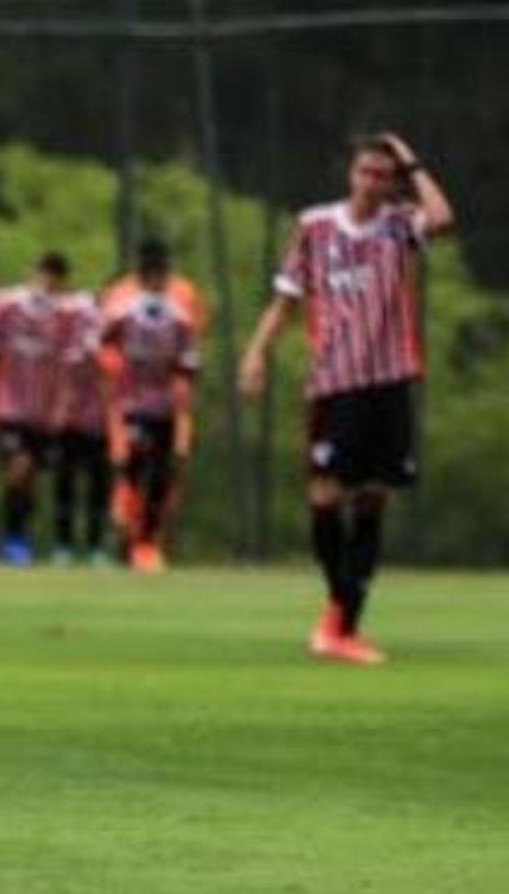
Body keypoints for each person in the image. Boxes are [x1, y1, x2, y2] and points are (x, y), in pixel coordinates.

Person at [240, 132, 455, 664]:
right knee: (325, 497)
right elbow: (286, 300)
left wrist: (413, 161)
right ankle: (338, 609)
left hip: (390, 378)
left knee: (373, 498)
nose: (372, 183)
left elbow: (443, 219)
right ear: (350, 174)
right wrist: (255, 353)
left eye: (384, 175)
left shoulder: (400, 225)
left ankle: (343, 625)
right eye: (366, 171)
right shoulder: (315, 227)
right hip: (336, 381)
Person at [101, 240, 199, 573]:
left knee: (160, 473)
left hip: (166, 404)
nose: (157, 281)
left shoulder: (181, 308)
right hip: (129, 402)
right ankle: (126, 529)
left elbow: (190, 357)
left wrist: (184, 385)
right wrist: (115, 368)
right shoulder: (121, 306)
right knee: (134, 461)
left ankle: (145, 543)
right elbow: (100, 344)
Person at [0, 252, 71, 565]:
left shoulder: (62, 316)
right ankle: (12, 537)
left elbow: (63, 365)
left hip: (42, 410)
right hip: (11, 407)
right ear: (33, 273)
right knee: (16, 472)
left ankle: (19, 537)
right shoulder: (7, 306)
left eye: (55, 276)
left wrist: (61, 406)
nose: (48, 282)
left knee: (30, 478)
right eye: (44, 273)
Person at [51, 276, 112, 565]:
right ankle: (62, 544)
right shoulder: (74, 325)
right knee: (66, 481)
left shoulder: (118, 329)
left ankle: (96, 545)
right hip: (72, 418)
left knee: (98, 485)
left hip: (102, 422)